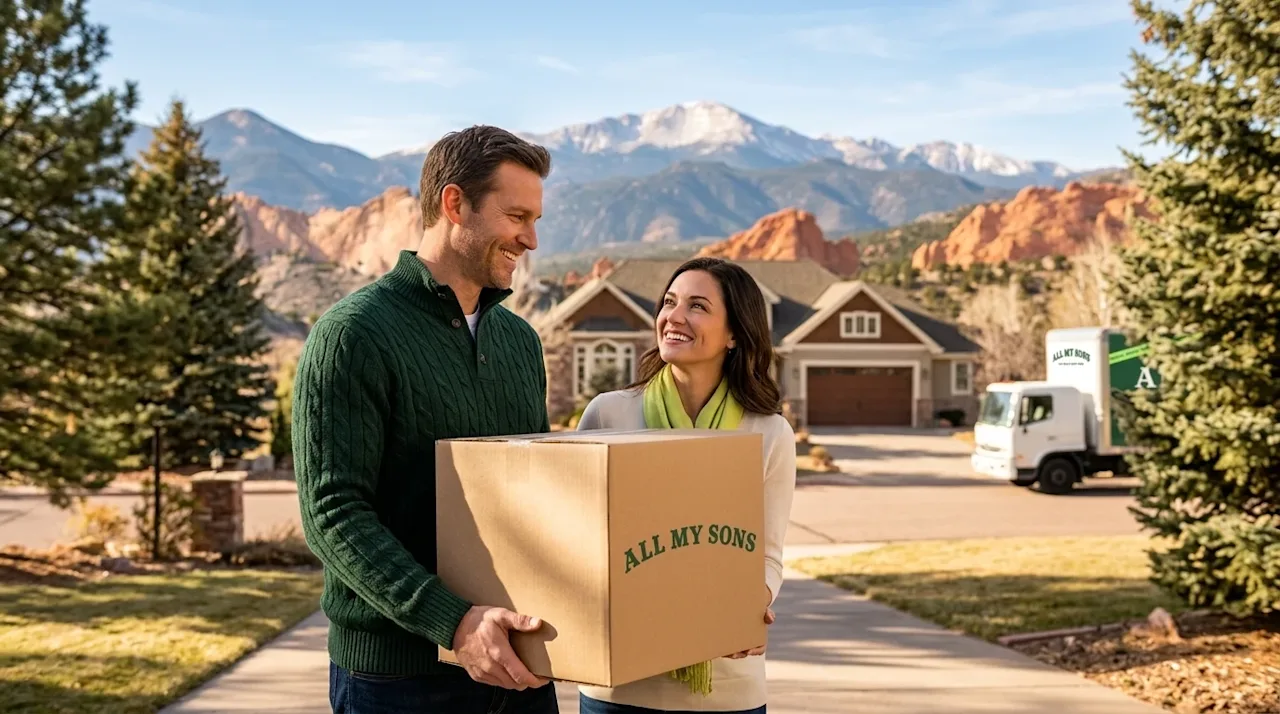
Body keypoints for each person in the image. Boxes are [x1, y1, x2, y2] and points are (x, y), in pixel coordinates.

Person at [291, 125, 560, 713]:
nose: (531, 239)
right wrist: (455, 624)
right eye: (517, 216)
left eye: (535, 219)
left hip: (521, 666)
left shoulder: (519, 342)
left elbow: (532, 496)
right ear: (454, 203)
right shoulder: (352, 335)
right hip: (400, 681)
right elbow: (333, 513)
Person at [575, 256, 797, 714]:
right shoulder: (609, 415)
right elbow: (580, 542)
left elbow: (767, 554)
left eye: (697, 306)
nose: (674, 317)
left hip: (727, 685)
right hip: (621, 683)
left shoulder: (769, 433)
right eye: (670, 302)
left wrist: (747, 607)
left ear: (734, 334)